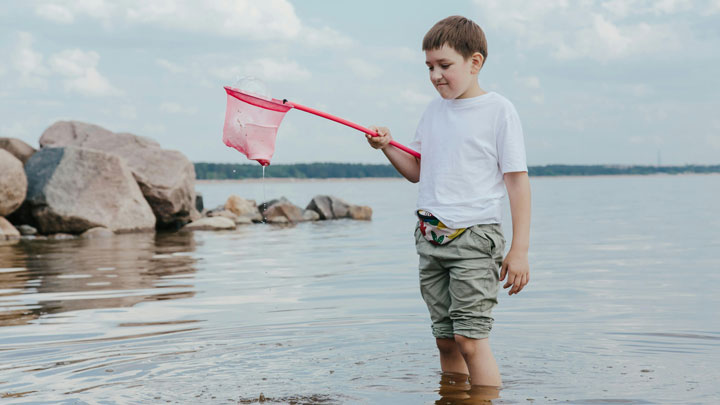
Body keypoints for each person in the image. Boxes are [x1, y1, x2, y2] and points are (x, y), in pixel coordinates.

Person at [366, 15, 531, 387]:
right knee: (445, 340)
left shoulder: (498, 110)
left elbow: (518, 184)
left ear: (475, 63)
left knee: (470, 340)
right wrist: (387, 146)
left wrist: (519, 250)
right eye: (429, 67)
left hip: (474, 238)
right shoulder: (433, 111)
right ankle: (455, 396)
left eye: (444, 65)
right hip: (430, 238)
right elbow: (416, 170)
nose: (435, 75)